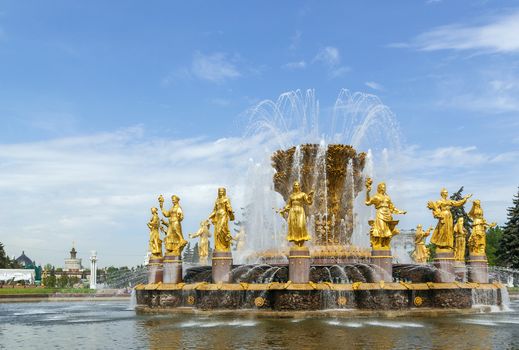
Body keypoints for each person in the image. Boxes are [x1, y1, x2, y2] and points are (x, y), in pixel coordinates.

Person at [364, 178, 406, 250]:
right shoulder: (376, 196)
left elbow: (392, 207)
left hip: (387, 214)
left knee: (386, 230)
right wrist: (367, 192)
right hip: (380, 213)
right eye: (383, 187)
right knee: (381, 229)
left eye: (385, 188)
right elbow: (368, 202)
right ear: (379, 188)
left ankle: (384, 244)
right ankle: (378, 244)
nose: (384, 189)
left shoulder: (387, 197)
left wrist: (400, 211)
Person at [278, 181, 313, 247]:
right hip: (292, 211)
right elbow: (288, 205)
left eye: (297, 185)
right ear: (293, 187)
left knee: (300, 225)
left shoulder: (303, 194)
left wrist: (310, 196)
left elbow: (308, 202)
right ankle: (296, 243)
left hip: (300, 210)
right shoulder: (291, 195)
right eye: (295, 185)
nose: (296, 186)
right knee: (294, 226)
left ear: (299, 186)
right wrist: (283, 209)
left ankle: (302, 241)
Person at [208, 188, 235, 252]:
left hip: (223, 216)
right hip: (217, 217)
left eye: (222, 191)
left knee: (221, 230)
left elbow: (228, 207)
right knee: (217, 232)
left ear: (224, 192)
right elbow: (214, 210)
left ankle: (226, 243)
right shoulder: (217, 200)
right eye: (219, 191)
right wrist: (209, 216)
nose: (221, 192)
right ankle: (219, 247)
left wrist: (230, 210)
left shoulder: (226, 199)